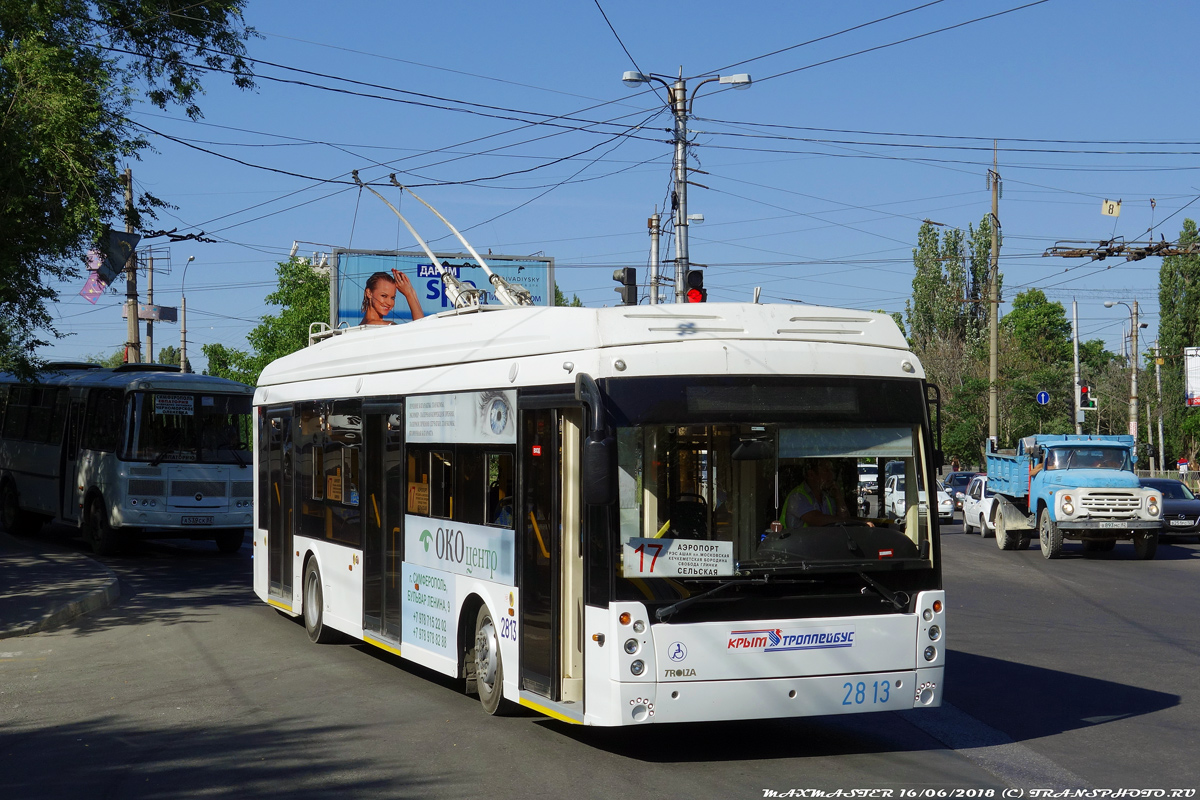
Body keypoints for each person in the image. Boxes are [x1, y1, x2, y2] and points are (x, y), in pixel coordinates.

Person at [780, 459, 874, 528]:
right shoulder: (797, 497)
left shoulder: (827, 497)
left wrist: (838, 497)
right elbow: (818, 519)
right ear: (811, 474)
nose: (831, 475)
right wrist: (858, 522)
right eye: (826, 471)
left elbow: (843, 519)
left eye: (831, 471)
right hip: (797, 549)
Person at [361, 269, 425, 325]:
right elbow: (421, 330)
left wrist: (412, 292)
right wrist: (409, 294)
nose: (389, 303)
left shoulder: (362, 324)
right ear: (369, 293)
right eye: (384, 296)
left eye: (392, 298)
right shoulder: (386, 326)